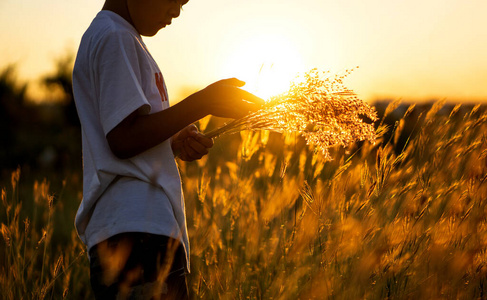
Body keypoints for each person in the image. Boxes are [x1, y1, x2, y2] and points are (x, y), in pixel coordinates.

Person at [72, 0, 264, 298]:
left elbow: (126, 132)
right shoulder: (115, 36)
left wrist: (170, 143)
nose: (175, 12)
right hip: (137, 234)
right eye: (174, 0)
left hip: (135, 231)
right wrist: (203, 102)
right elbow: (122, 139)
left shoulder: (120, 36)